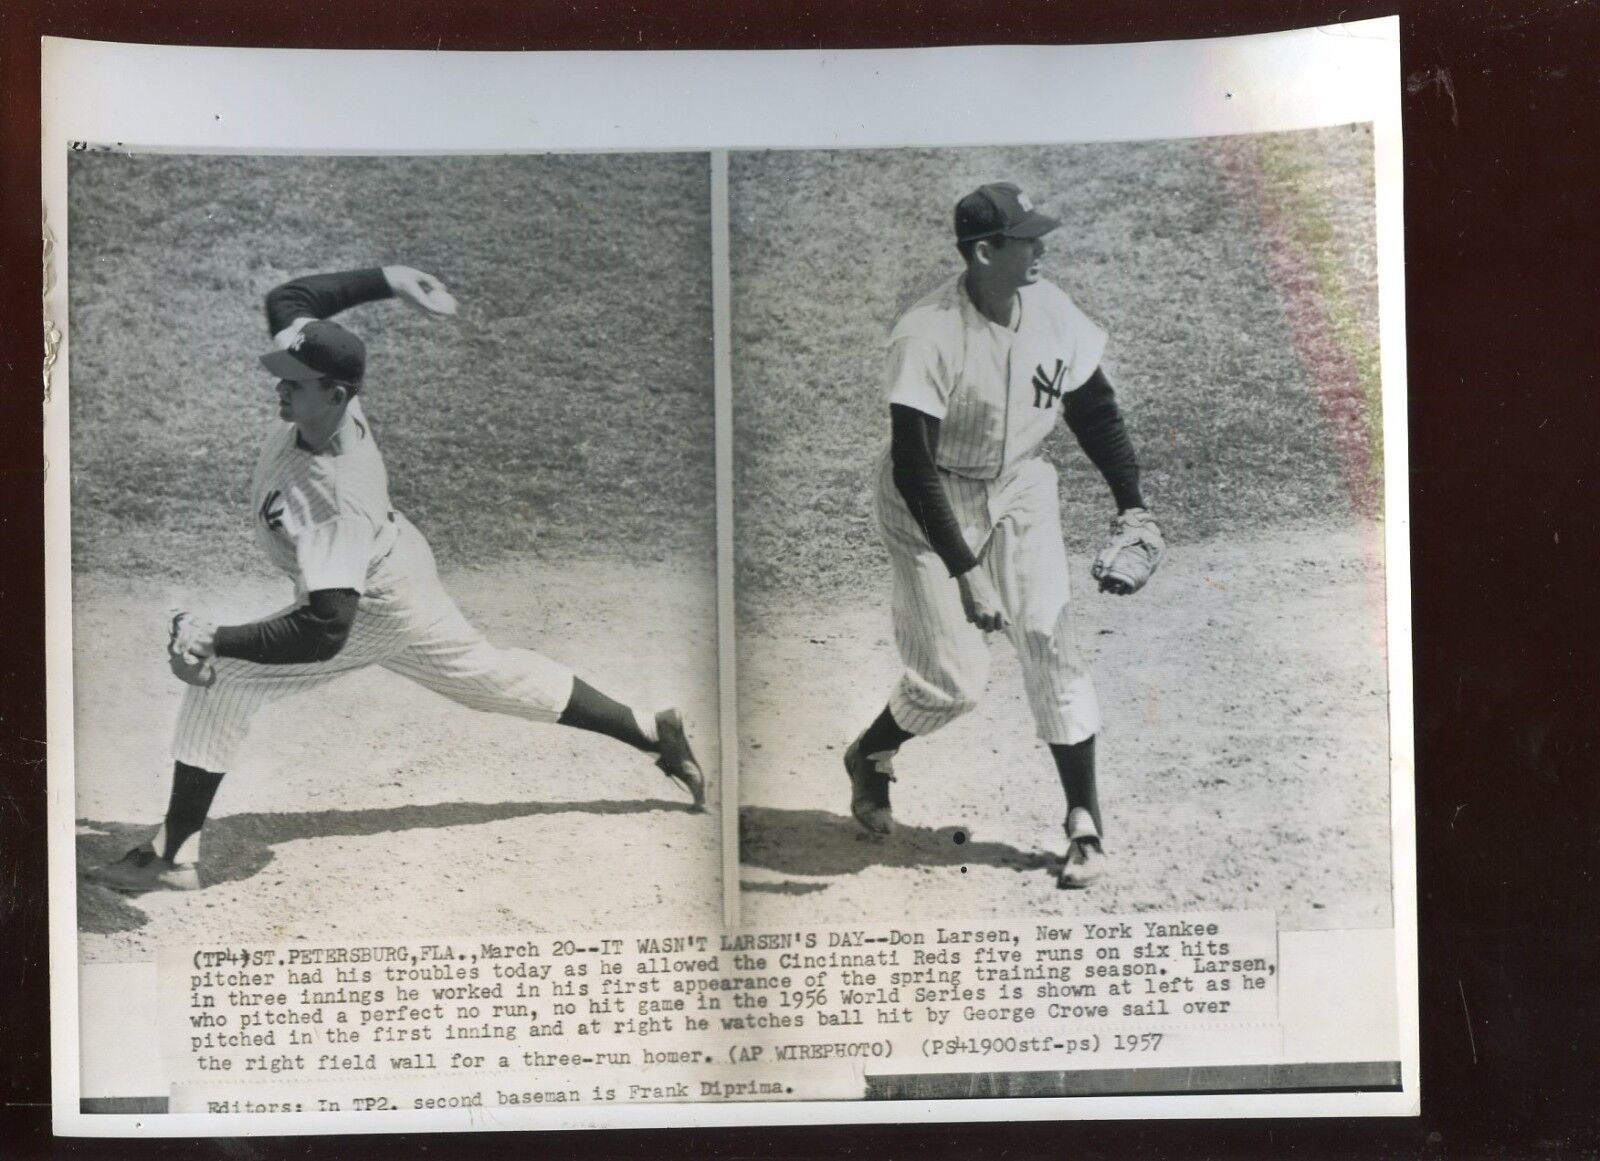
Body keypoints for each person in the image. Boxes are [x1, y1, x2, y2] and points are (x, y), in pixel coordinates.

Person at [90, 265, 706, 894]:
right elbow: (291, 300)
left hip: (371, 603)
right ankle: (653, 731)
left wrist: (215, 638)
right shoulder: (324, 402)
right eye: (283, 378)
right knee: (489, 678)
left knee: (224, 683)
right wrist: (390, 278)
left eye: (295, 385)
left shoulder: (333, 494)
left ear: (336, 393)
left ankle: (174, 857)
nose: (279, 394)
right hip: (395, 564)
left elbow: (327, 629)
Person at [843, 183, 1160, 889]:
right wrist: (966, 568)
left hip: (1018, 485)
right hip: (928, 498)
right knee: (954, 681)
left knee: (1050, 637)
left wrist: (1133, 506)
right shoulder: (928, 333)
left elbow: (1095, 409)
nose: (1042, 247)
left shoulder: (1049, 308)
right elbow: (913, 463)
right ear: (986, 252)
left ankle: (1084, 820)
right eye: (1027, 238)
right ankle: (870, 752)